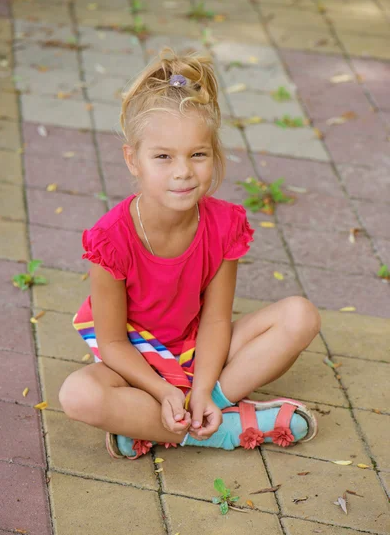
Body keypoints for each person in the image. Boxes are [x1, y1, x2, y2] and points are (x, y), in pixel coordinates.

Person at [59, 47, 320, 460]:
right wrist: (162, 389)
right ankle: (226, 428)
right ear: (133, 160)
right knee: (79, 395)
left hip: (198, 350)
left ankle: (181, 416)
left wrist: (200, 390)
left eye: (197, 155)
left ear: (213, 154)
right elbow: (111, 342)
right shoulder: (110, 240)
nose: (182, 171)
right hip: (137, 360)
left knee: (299, 315)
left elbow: (216, 318)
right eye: (162, 157)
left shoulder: (224, 224)